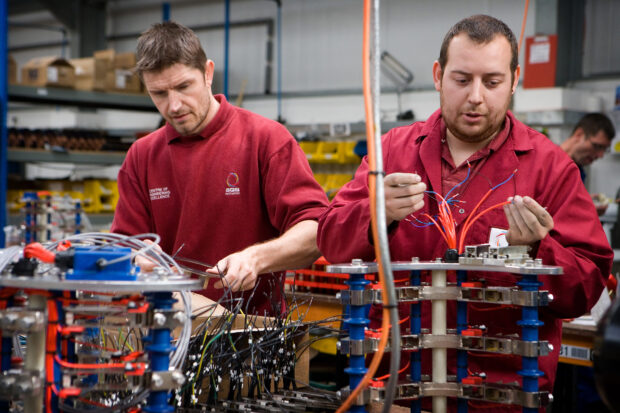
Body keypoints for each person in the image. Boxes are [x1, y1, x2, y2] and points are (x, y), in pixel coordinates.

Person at [317, 15, 613, 412]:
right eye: (461, 79)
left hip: (501, 399)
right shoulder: (392, 153)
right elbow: (331, 241)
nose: (476, 96)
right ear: (438, 75)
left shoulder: (550, 168)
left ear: (514, 80)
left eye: (492, 82)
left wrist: (538, 249)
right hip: (396, 390)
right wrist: (375, 215)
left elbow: (587, 286)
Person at [111, 21, 329, 316]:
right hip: (166, 334)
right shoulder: (142, 155)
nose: (174, 105)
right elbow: (123, 249)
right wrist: (135, 258)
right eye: (159, 94)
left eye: (183, 86)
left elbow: (316, 231)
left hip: (251, 337)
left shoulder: (266, 140)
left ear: (208, 73)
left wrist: (256, 258)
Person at [560, 112, 616, 215]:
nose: (600, 155)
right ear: (579, 134)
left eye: (604, 149)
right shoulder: (549, 165)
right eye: (597, 146)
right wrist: (585, 210)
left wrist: (585, 202)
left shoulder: (579, 171)